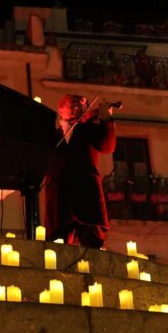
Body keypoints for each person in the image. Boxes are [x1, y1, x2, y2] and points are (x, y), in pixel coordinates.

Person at [44, 94, 117, 248]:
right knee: (58, 249)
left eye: (81, 105)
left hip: (88, 196)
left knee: (94, 246)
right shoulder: (52, 137)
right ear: (61, 111)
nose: (78, 108)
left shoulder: (89, 129)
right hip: (59, 201)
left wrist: (106, 119)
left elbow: (107, 146)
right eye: (73, 105)